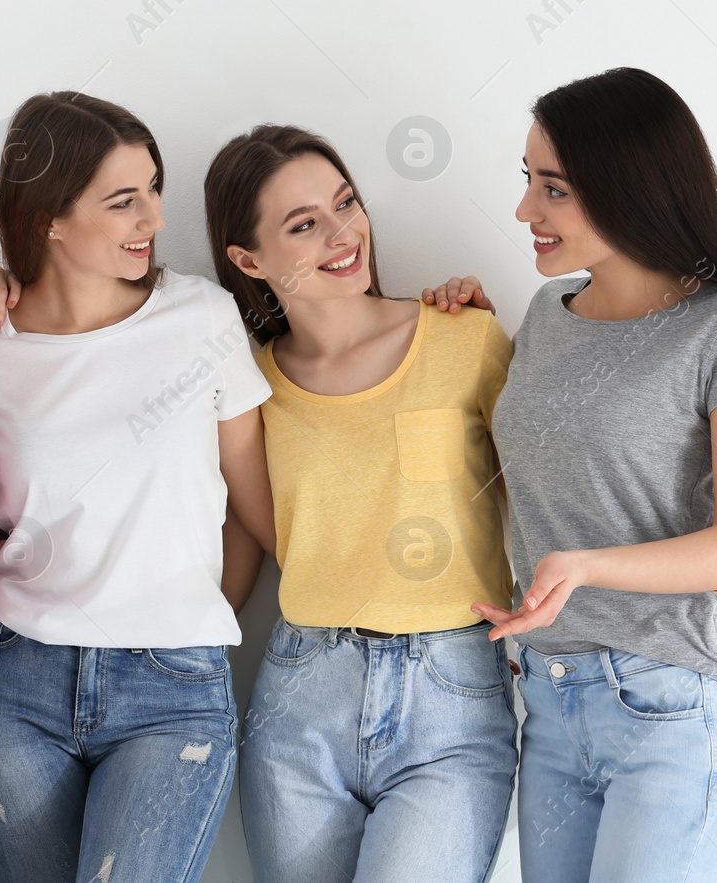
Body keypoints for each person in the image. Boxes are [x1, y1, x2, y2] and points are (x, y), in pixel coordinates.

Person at [0, 91, 277, 883]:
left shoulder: (202, 318)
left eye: (153, 189)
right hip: (13, 688)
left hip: (172, 691)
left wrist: (189, 620)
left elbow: (258, 511)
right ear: (48, 216)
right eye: (124, 201)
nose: (153, 219)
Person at [474, 67, 717, 882]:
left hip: (672, 708)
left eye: (554, 189)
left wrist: (584, 568)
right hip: (548, 703)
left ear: (627, 188)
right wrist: (465, 324)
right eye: (527, 182)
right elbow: (538, 475)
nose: (524, 212)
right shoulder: (545, 317)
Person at [204, 124, 519, 882]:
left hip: (452, 693)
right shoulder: (246, 387)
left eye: (345, 203)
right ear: (248, 260)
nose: (343, 234)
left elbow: (546, 488)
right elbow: (250, 538)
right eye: (303, 224)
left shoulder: (464, 336)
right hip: (301, 694)